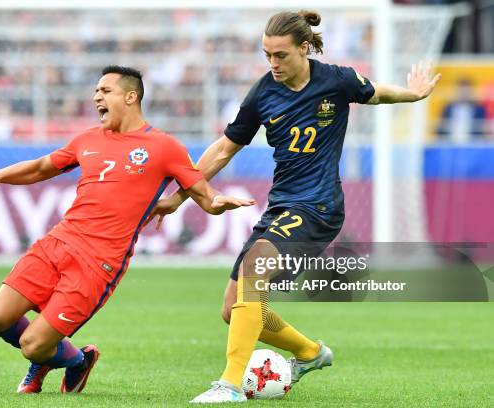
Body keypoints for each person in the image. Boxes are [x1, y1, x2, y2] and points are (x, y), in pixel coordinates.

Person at [147, 11, 441, 403]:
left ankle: (230, 386)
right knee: (232, 309)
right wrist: (180, 196)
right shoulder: (262, 93)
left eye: (280, 55)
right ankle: (310, 352)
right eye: (267, 55)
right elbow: (223, 149)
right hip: (282, 205)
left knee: (255, 271)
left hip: (319, 206)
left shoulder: (336, 80)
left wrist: (414, 94)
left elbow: (378, 92)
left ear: (304, 48)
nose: (273, 64)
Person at [0, 65, 255, 395]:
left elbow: (203, 195)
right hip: (57, 242)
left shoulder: (164, 147)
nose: (97, 97)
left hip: (98, 264)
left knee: (32, 344)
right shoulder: (87, 140)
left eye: (105, 91)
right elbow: (42, 167)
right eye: (96, 92)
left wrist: (217, 202)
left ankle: (73, 361)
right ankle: (62, 355)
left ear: (130, 97)